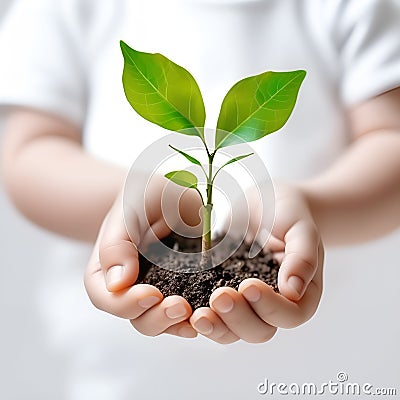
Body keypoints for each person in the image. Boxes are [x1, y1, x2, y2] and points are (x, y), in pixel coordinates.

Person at [1, 0, 400, 398]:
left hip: (323, 373)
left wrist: (312, 206)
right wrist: (131, 199)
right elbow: (28, 151)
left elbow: (390, 140)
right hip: (126, 378)